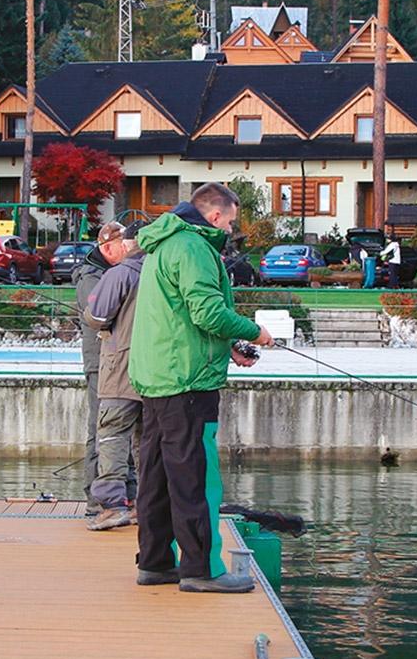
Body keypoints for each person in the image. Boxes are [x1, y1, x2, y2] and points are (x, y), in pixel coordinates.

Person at [128, 182, 273, 593]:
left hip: (158, 375)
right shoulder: (193, 248)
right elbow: (207, 312)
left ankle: (155, 562)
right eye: (230, 222)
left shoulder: (164, 244)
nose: (230, 230)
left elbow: (181, 317)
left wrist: (229, 347)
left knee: (156, 476)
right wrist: (255, 332)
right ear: (214, 215)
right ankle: (201, 569)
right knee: (195, 477)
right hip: (189, 380)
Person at [83, 222, 144, 532]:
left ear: (126, 245)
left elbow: (96, 316)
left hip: (119, 369)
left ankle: (112, 506)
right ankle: (146, 505)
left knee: (111, 436)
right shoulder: (164, 272)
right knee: (147, 442)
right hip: (156, 372)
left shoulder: (120, 274)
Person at [74, 222, 127, 515]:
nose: (128, 249)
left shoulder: (113, 273)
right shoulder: (90, 278)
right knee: (99, 427)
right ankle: (95, 499)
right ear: (107, 248)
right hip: (100, 361)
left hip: (116, 359)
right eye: (123, 245)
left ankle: (123, 494)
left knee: (117, 428)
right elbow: (99, 315)